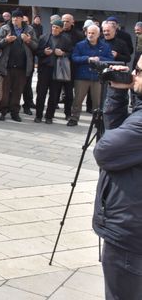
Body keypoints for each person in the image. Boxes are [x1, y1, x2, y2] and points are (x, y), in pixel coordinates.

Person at [92, 52, 142, 299]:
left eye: (140, 72)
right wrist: (120, 93)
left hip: (130, 236)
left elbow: (105, 151)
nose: (133, 75)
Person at [0, 10, 37, 122]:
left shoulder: (30, 30)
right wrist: (6, 40)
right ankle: (2, 111)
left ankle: (15, 112)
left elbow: (36, 46)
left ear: (21, 19)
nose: (15, 20)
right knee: (4, 92)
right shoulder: (4, 28)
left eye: (17, 18)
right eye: (13, 18)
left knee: (17, 92)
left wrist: (28, 41)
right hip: (6, 66)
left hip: (22, 67)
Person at [69, 24, 114, 126]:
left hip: (97, 77)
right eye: (89, 33)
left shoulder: (105, 46)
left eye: (93, 33)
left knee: (97, 101)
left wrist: (100, 59)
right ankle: (74, 118)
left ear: (98, 34)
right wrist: (87, 59)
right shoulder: (80, 45)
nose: (90, 35)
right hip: (82, 77)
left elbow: (111, 60)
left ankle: (97, 120)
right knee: (78, 100)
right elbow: (74, 58)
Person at [34, 19, 74, 124]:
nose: (54, 29)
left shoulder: (66, 40)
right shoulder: (43, 37)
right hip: (44, 69)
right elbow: (36, 51)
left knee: (54, 95)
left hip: (58, 70)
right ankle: (38, 115)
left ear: (61, 29)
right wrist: (44, 52)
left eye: (57, 27)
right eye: (53, 27)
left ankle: (49, 117)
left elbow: (71, 53)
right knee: (41, 93)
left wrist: (63, 53)